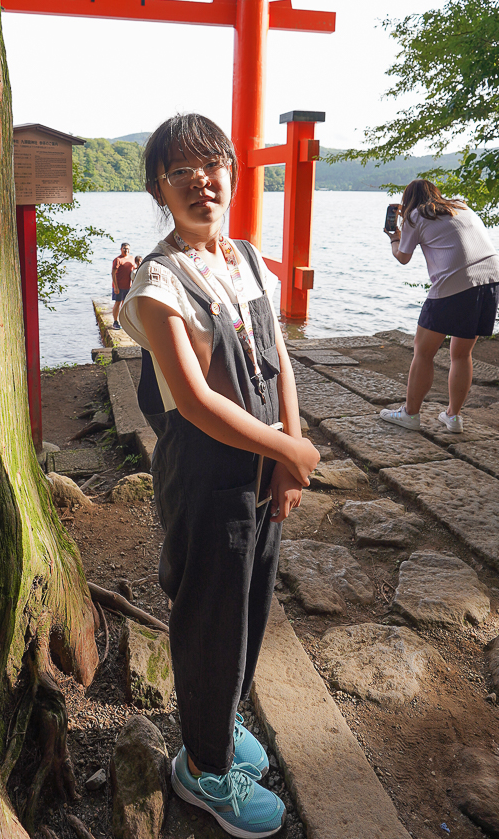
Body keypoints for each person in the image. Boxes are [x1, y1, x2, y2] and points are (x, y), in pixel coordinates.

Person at [120, 114, 319, 838]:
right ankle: (201, 769)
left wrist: (288, 452)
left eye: (213, 166)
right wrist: (285, 450)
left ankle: (222, 717)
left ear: (232, 174)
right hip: (205, 477)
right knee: (209, 617)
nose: (201, 181)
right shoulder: (156, 283)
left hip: (261, 466)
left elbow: (278, 360)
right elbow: (196, 402)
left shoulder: (246, 261)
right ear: (158, 190)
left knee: (250, 602)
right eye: (181, 172)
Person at [382, 179, 499, 434]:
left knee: (423, 351)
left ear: (407, 201)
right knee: (461, 353)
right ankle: (453, 416)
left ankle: (410, 414)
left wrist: (395, 237)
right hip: (491, 279)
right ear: (435, 193)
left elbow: (403, 257)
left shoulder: (415, 215)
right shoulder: (461, 207)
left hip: (456, 283)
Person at [111, 242, 136, 329]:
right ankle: (115, 321)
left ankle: (125, 321)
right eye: (124, 248)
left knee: (125, 304)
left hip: (128, 286)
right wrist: (115, 287)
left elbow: (133, 270)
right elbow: (113, 273)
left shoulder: (132, 258)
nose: (126, 250)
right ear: (121, 249)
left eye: (127, 248)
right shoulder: (118, 260)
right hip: (119, 286)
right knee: (117, 303)